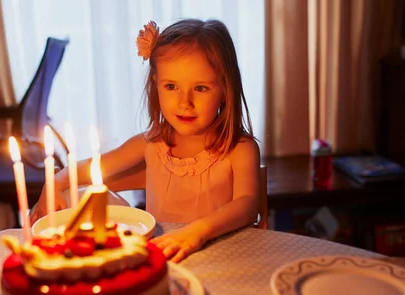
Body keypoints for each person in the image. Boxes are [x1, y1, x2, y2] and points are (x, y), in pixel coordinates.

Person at [30, 18, 261, 263]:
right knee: (71, 196)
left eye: (201, 88)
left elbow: (247, 205)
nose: (185, 102)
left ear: (226, 87)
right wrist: (55, 181)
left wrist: (197, 232)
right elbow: (90, 170)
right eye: (171, 86)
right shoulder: (151, 143)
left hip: (222, 260)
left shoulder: (239, 149)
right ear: (155, 85)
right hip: (161, 260)